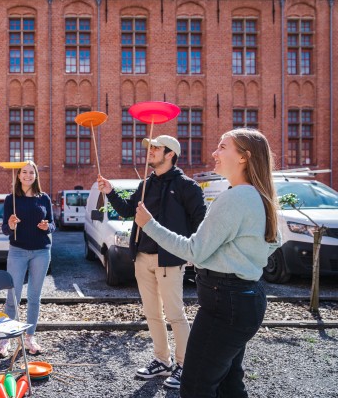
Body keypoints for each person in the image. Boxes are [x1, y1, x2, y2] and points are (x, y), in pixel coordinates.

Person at [134, 128, 281, 397]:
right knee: (229, 383)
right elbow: (275, 241)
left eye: (223, 147)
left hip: (225, 303)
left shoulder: (235, 197)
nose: (214, 152)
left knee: (195, 386)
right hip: (246, 298)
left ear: (243, 158)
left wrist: (150, 225)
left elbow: (195, 251)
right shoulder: (257, 194)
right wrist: (234, 256)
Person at [98, 135, 206, 389]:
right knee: (152, 314)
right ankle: (162, 360)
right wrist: (110, 191)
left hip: (170, 259)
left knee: (175, 315)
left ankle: (183, 364)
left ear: (171, 154)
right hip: (142, 257)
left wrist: (191, 252)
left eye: (156, 148)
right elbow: (127, 211)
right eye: (151, 148)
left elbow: (201, 223)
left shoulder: (187, 187)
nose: (150, 152)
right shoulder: (146, 184)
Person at [0, 160, 55, 357]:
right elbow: (5, 229)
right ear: (18, 176)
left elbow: (53, 225)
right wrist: (11, 225)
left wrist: (48, 227)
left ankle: (30, 337)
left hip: (41, 252)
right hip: (17, 251)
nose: (28, 175)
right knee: (12, 297)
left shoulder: (44, 198)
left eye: (32, 172)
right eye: (24, 172)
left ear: (36, 176)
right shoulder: (10, 199)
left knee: (34, 298)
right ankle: (5, 340)